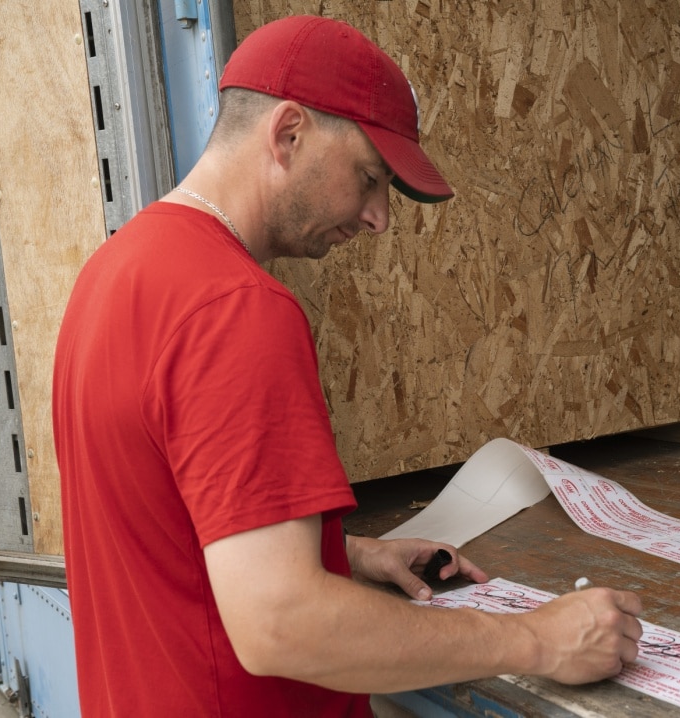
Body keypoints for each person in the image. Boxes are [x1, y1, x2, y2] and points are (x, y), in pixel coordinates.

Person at [53, 14, 642, 717]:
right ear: (289, 133)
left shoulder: (113, 273)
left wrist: (345, 555)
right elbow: (281, 623)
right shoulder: (236, 310)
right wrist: (534, 640)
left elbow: (163, 522)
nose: (378, 219)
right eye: (369, 177)